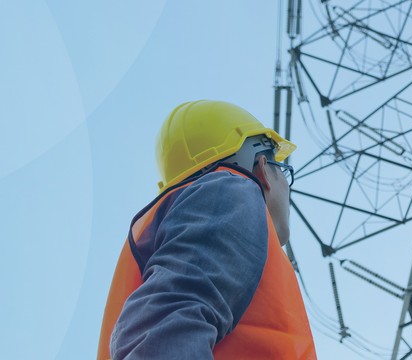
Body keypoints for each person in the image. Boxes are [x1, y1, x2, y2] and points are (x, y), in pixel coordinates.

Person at [97, 100, 317, 359]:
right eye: (283, 169)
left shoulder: (203, 215)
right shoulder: (228, 194)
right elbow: (165, 334)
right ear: (262, 168)